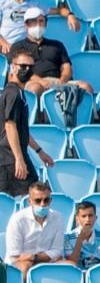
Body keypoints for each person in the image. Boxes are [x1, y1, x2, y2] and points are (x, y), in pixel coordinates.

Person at [0, 54, 49, 197]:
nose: (26, 69)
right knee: (37, 196)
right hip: (9, 158)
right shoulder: (13, 93)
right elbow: (10, 126)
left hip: (12, 156)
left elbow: (22, 130)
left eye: (30, 67)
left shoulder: (19, 93)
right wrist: (19, 159)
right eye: (22, 66)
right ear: (13, 67)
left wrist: (39, 151)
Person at [12, 7, 89, 99]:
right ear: (26, 25)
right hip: (33, 82)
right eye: (34, 21)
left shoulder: (57, 45)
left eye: (41, 21)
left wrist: (63, 80)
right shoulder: (18, 46)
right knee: (34, 89)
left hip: (58, 81)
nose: (38, 25)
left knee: (85, 87)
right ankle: (38, 113)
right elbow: (21, 71)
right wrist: (41, 81)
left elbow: (67, 67)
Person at [4, 180, 65, 279]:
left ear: (51, 200)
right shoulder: (18, 220)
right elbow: (14, 255)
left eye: (46, 200)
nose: (42, 204)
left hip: (46, 261)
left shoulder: (58, 217)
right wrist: (31, 259)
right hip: (21, 263)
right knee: (25, 266)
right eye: (38, 200)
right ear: (30, 201)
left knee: (70, 266)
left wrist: (34, 257)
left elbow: (57, 250)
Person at [64, 201, 100, 270]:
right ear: (77, 219)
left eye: (90, 215)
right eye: (84, 216)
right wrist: (80, 240)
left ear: (96, 218)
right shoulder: (68, 237)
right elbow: (72, 264)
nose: (88, 219)